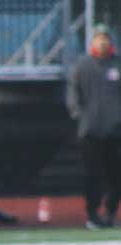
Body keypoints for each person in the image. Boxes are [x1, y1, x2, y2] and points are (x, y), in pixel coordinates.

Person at [67, 25, 121, 230]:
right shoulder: (82, 66)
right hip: (91, 131)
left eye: (106, 38)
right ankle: (92, 215)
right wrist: (80, 116)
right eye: (99, 38)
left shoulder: (118, 64)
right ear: (92, 42)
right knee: (93, 176)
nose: (103, 42)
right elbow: (73, 93)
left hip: (116, 131)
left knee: (117, 176)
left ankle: (110, 211)